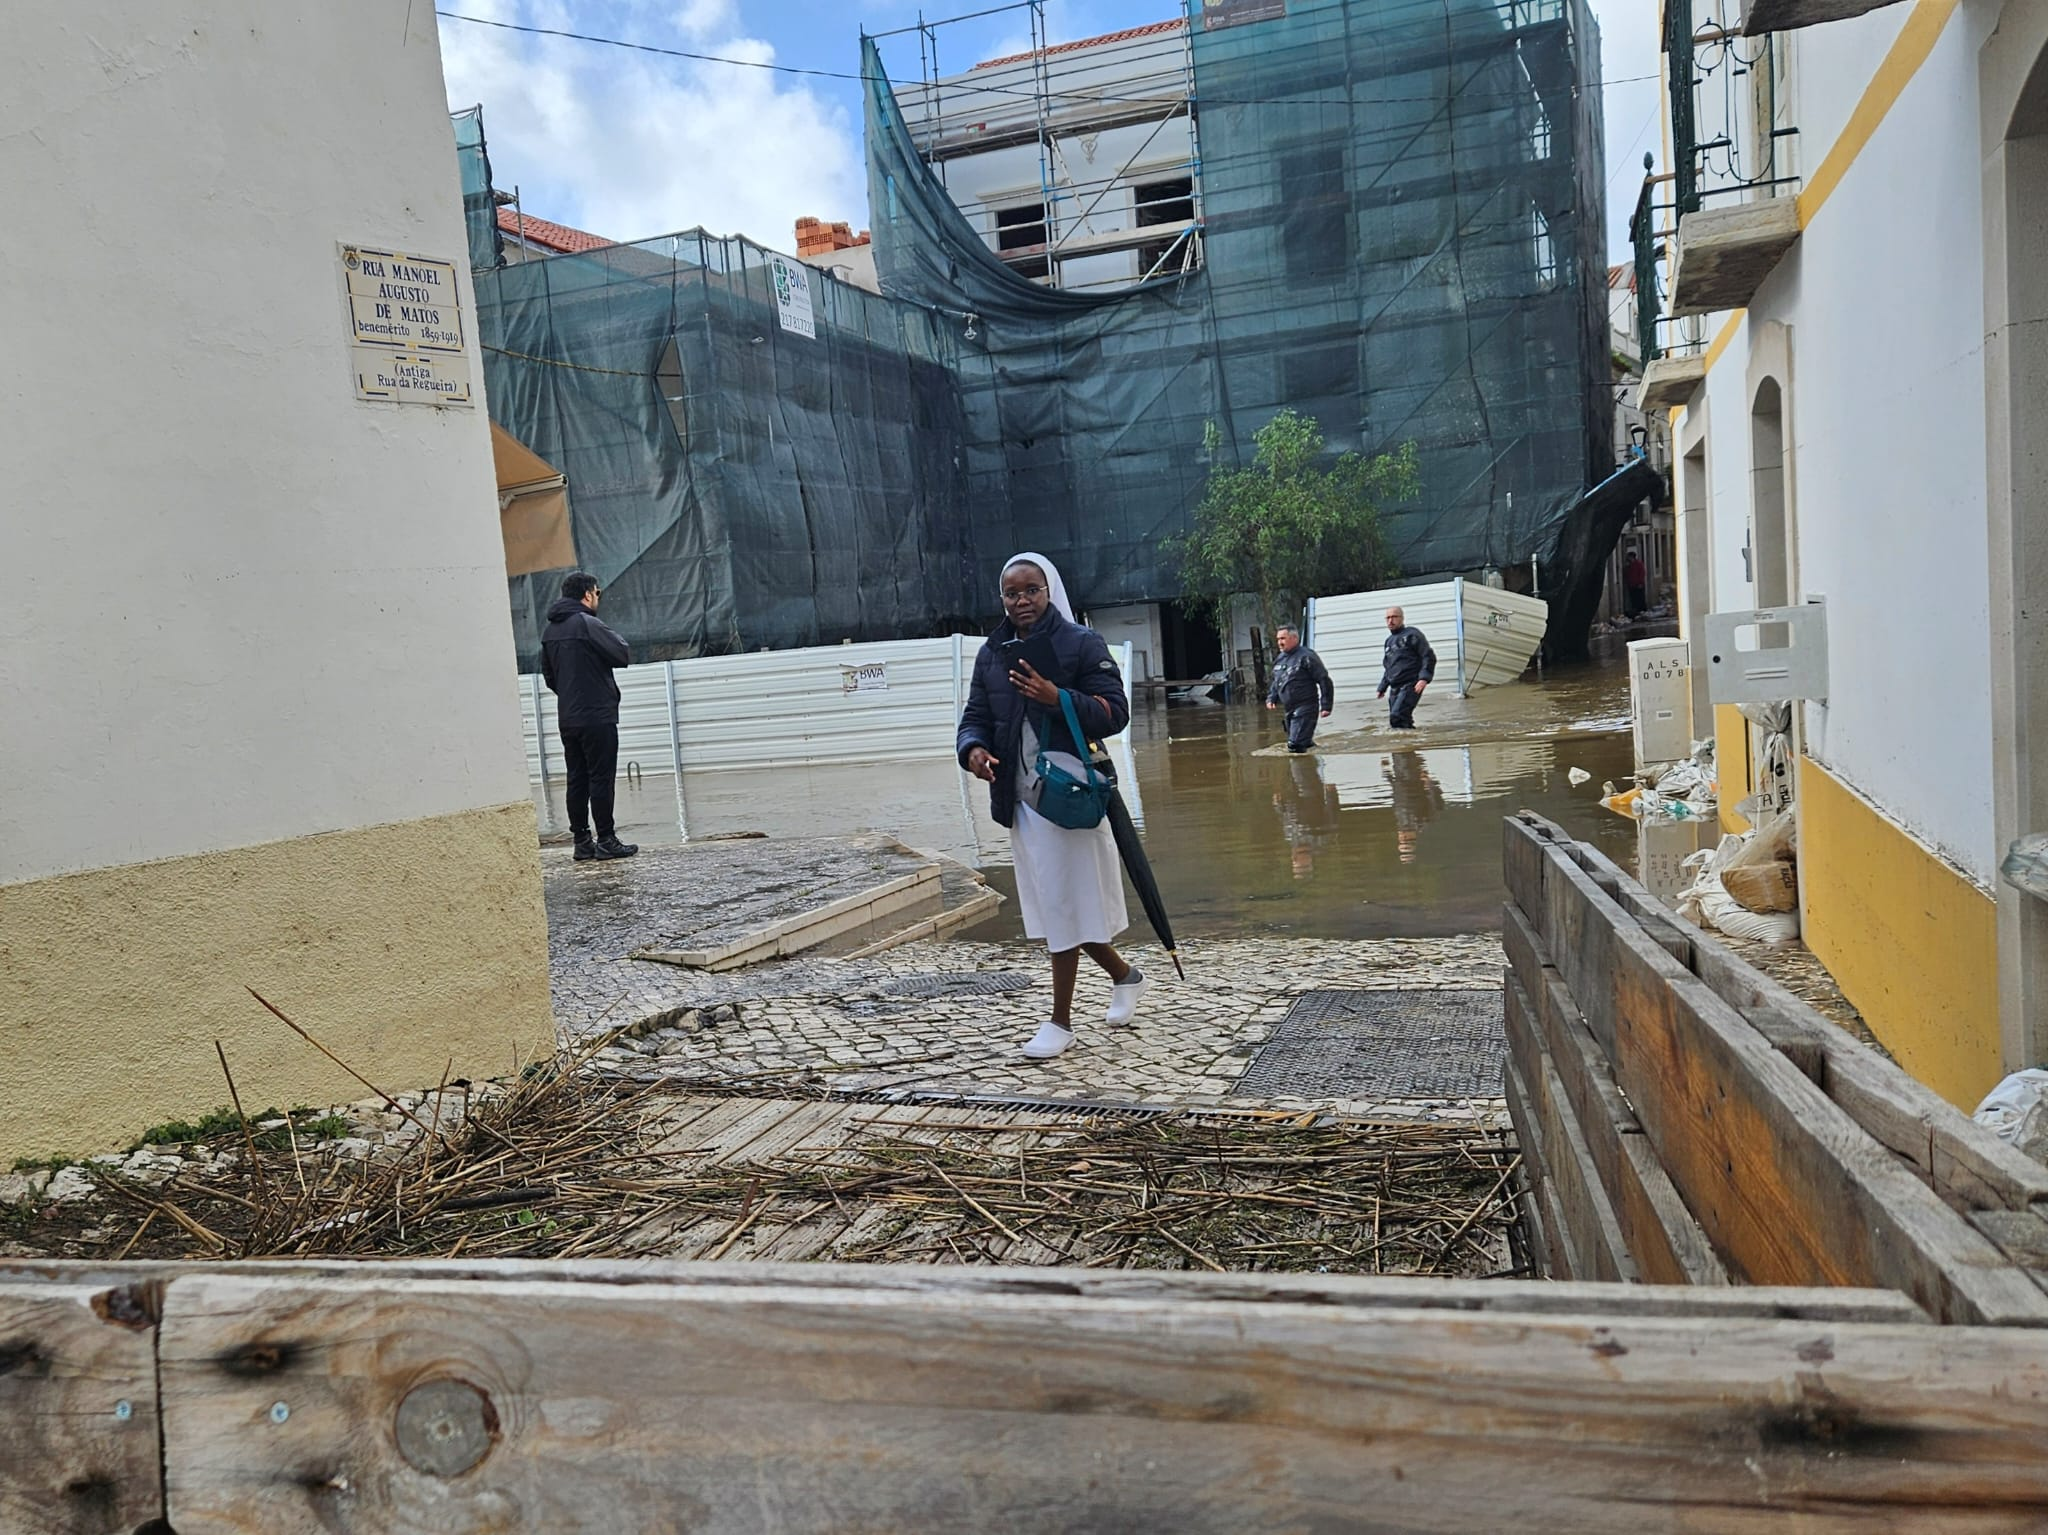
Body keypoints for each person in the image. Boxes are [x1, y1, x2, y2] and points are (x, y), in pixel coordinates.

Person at [957, 553, 1146, 1060]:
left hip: (1070, 795)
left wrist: (1056, 695)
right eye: (1012, 592)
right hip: (1019, 798)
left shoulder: (1081, 643)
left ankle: (1060, 1022)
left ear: (1049, 590)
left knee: (1063, 905)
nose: (1021, 601)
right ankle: (1125, 976)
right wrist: (972, 750)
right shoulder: (992, 652)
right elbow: (975, 713)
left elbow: (1115, 713)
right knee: (1054, 905)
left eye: (1031, 590)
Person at [540, 572, 639, 862]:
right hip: (597, 715)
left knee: (577, 778)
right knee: (600, 777)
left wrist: (571, 695)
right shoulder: (587, 623)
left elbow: (549, 676)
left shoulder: (549, 631)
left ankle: (582, 842)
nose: (598, 598)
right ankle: (607, 840)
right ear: (587, 594)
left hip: (568, 717)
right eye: (598, 593)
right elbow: (621, 653)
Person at [1264, 624, 1334, 753]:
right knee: (1303, 744)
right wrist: (1271, 698)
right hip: (1289, 708)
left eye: (1283, 639)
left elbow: (1324, 680)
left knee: (1294, 745)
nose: (1280, 643)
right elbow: (1276, 681)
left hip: (1306, 706)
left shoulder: (1307, 656)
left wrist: (1326, 705)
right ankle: (1313, 765)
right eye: (1278, 639)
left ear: (1294, 638)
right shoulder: (1280, 659)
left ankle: (1300, 771)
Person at [1376, 606, 1437, 730]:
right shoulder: (1389, 641)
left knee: (1397, 716)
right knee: (1399, 721)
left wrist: (1424, 678)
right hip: (1394, 687)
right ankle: (1410, 744)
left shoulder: (1412, 634)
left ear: (1402, 618)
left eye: (1394, 617)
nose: (1390, 621)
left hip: (1411, 684)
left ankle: (1405, 745)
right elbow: (1388, 667)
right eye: (1388, 618)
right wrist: (1382, 687)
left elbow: (1428, 656)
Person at [1623, 548, 1649, 620]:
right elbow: (1626, 574)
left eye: (1629, 557)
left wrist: (1640, 583)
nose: (1628, 558)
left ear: (1632, 557)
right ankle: (1636, 613)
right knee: (1634, 600)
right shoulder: (1629, 566)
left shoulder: (1639, 564)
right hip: (1632, 585)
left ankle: (1643, 612)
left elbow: (1642, 573)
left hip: (1638, 585)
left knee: (1640, 599)